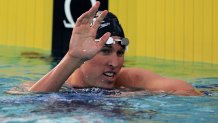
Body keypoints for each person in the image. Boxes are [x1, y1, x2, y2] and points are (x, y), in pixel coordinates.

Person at [29, 2, 202, 96]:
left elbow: (188, 91)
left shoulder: (130, 80)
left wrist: (135, 96)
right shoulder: (58, 86)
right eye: (105, 51)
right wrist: (73, 56)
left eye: (120, 53)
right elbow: (29, 102)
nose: (115, 63)